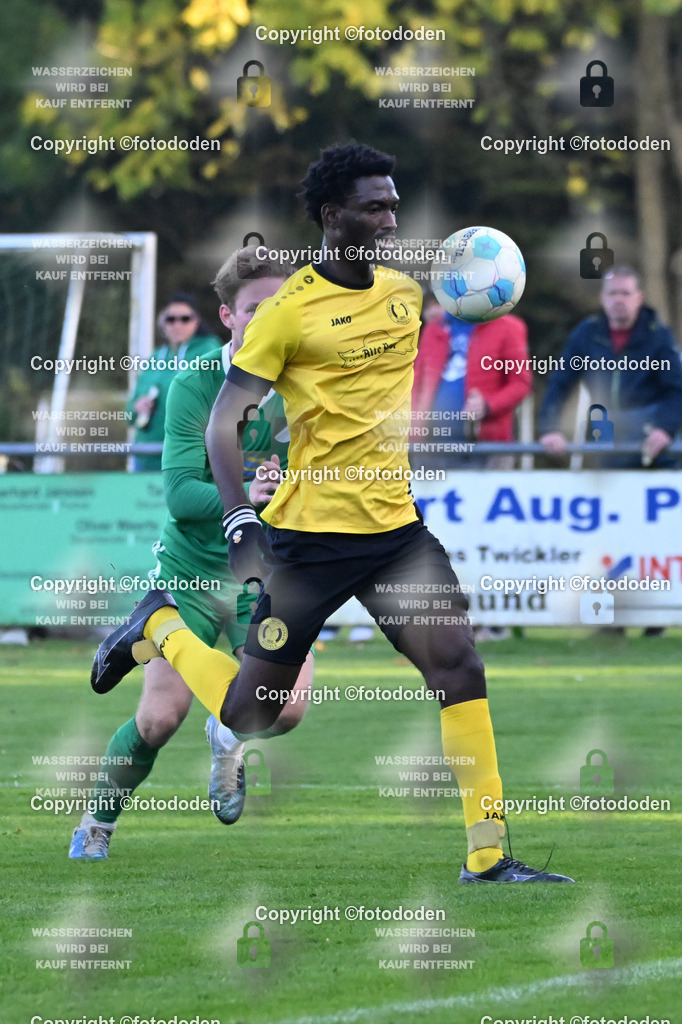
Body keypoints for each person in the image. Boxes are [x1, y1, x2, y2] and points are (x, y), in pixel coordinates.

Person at [92, 142, 573, 883]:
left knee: (458, 666)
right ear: (330, 214)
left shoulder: (406, 294)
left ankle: (486, 854)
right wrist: (239, 520)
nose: (390, 218)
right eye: (374, 205)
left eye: (394, 204)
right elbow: (226, 421)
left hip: (394, 533)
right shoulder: (288, 312)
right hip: (308, 543)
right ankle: (158, 623)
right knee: (254, 713)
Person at [70, 249, 313, 859]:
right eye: (256, 308)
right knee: (157, 722)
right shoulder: (195, 384)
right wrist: (253, 494)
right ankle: (96, 824)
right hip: (193, 572)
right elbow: (180, 495)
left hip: (272, 573)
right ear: (228, 316)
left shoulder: (306, 382)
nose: (269, 318)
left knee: (285, 713)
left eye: (281, 306)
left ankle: (226, 729)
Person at [538, 267, 682, 467]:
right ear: (602, 297)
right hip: (606, 437)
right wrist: (549, 428)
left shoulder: (658, 335)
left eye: (625, 293)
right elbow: (559, 383)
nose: (619, 299)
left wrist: (665, 428)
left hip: (654, 440)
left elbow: (676, 388)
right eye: (612, 293)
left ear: (639, 297)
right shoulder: (586, 334)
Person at [412, 310, 532, 469]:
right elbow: (415, 382)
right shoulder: (433, 328)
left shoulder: (508, 326)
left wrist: (488, 405)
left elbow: (521, 383)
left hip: (488, 447)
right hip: (432, 447)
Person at [127, 293, 220, 471]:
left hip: (186, 458)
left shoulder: (209, 349)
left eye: (185, 318)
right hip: (145, 457)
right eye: (171, 319)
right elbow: (128, 414)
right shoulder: (155, 357)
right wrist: (137, 407)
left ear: (197, 322)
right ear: (162, 322)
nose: (177, 324)